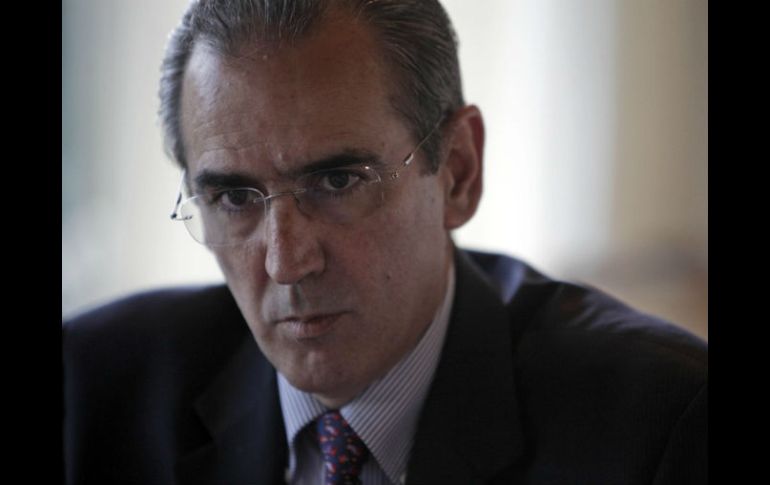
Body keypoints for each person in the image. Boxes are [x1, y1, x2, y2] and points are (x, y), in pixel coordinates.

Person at [62, 0, 707, 484]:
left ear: (458, 172)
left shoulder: (661, 425)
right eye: (234, 199)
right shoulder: (91, 392)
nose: (286, 262)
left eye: (337, 181)